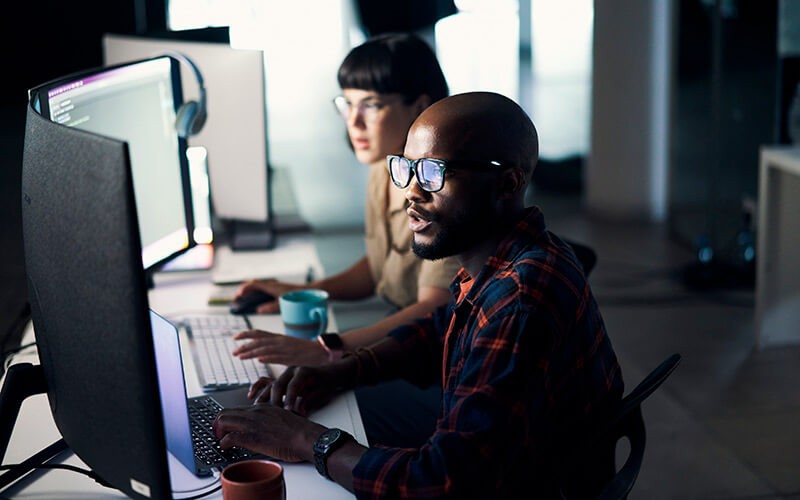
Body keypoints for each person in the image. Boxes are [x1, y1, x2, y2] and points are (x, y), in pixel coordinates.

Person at [213, 91, 625, 498]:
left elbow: (439, 483)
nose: (411, 191)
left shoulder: (520, 300)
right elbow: (438, 329)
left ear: (507, 183)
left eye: (433, 173)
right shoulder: (505, 257)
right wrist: (345, 370)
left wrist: (308, 440)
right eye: (405, 168)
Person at [230, 32, 461, 369]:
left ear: (420, 105)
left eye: (371, 105)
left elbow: (434, 307)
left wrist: (331, 348)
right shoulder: (387, 165)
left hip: (438, 354)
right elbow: (380, 267)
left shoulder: (439, 189)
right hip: (401, 333)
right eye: (347, 104)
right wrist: (303, 291)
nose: (354, 122)